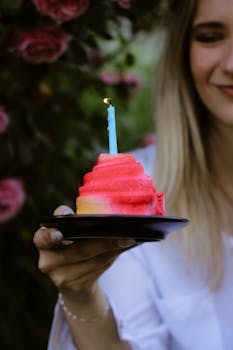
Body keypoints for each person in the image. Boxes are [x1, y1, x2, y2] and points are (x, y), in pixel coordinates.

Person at [33, 0, 233, 348]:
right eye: (210, 36)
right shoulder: (136, 204)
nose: (232, 64)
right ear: (182, 54)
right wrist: (81, 294)